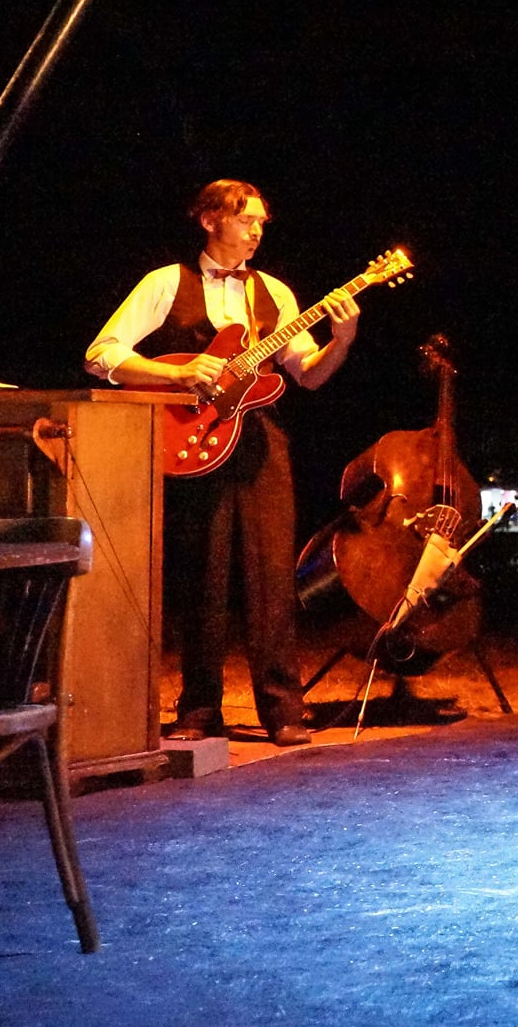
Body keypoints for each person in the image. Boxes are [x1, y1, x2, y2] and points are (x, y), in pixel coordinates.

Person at [86, 179, 363, 747]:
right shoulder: (166, 282)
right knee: (201, 576)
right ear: (210, 220)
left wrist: (343, 339)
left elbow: (308, 374)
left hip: (260, 440)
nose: (257, 231)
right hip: (195, 438)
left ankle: (283, 709)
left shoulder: (275, 293)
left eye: (261, 222)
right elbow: (101, 355)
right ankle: (199, 709)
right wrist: (177, 373)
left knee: (271, 577)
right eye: (245, 220)